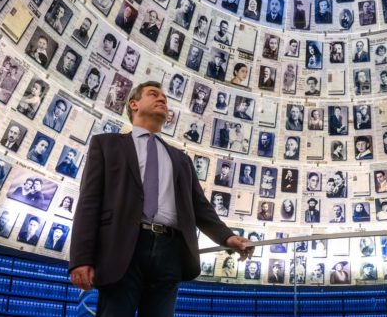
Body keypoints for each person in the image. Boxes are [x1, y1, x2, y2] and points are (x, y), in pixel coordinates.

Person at [69, 82, 252, 315]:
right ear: (134, 104)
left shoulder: (181, 159)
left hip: (171, 251)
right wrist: (81, 258)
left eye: (165, 98)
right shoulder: (106, 145)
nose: (162, 100)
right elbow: (89, 202)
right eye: (153, 95)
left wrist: (228, 237)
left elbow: (200, 207)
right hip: (122, 247)